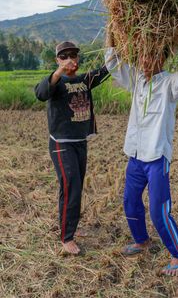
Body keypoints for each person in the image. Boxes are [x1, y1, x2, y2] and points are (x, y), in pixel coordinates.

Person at [105, 16, 178, 275]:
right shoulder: (137, 80)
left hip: (157, 157)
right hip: (135, 155)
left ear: (161, 57)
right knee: (130, 201)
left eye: (151, 55)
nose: (145, 60)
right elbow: (112, 62)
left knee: (159, 210)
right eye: (143, 55)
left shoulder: (170, 84)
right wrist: (112, 24)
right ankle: (141, 240)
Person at [35, 41, 109, 254]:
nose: (70, 60)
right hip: (61, 144)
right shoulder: (55, 82)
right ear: (57, 60)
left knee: (74, 187)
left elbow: (107, 69)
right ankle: (67, 238)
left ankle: (69, 228)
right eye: (65, 56)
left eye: (74, 55)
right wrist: (58, 72)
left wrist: (113, 40)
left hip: (80, 142)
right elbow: (40, 93)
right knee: (71, 187)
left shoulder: (84, 80)